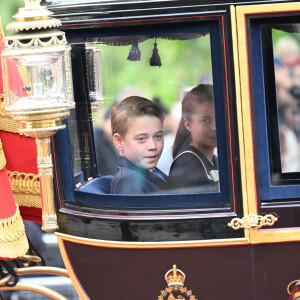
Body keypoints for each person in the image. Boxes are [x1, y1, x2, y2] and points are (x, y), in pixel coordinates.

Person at [110, 96, 169, 194]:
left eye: (158, 136)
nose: (153, 146)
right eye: (141, 139)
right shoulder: (129, 181)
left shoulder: (149, 171)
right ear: (119, 142)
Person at [169, 84, 219, 191]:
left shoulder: (215, 160)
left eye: (218, 118)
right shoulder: (187, 165)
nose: (214, 127)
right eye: (205, 120)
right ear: (188, 124)